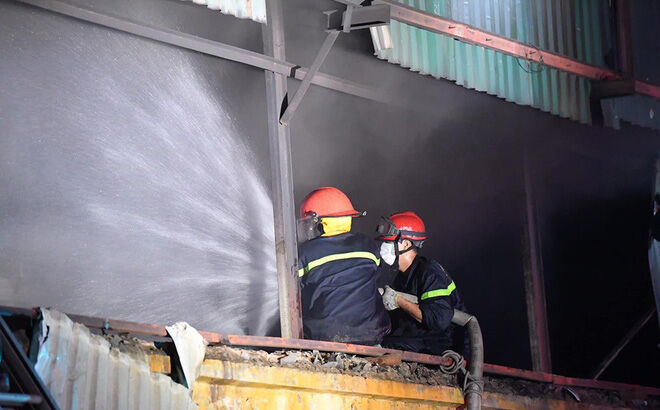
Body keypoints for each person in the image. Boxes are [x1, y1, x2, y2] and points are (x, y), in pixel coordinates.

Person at [297, 187, 390, 344]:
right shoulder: (368, 245)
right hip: (372, 335)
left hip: (325, 337)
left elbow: (293, 293)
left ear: (318, 223)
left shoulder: (306, 252)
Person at [376, 211, 467, 355]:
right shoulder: (403, 276)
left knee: (384, 346)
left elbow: (438, 319)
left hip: (441, 346)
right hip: (419, 340)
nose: (384, 246)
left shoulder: (430, 272)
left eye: (389, 242)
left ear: (406, 244)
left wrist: (398, 300)